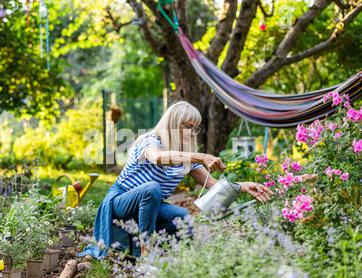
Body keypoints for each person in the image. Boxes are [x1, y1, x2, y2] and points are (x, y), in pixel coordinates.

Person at [78, 101, 273, 259]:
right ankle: (147, 251)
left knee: (182, 215)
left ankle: (176, 258)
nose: (191, 132)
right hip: (120, 202)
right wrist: (200, 157)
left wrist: (245, 186)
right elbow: (157, 157)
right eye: (186, 126)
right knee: (152, 188)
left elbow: (215, 186)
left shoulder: (186, 158)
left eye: (194, 128)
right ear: (172, 123)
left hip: (149, 204)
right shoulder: (150, 140)